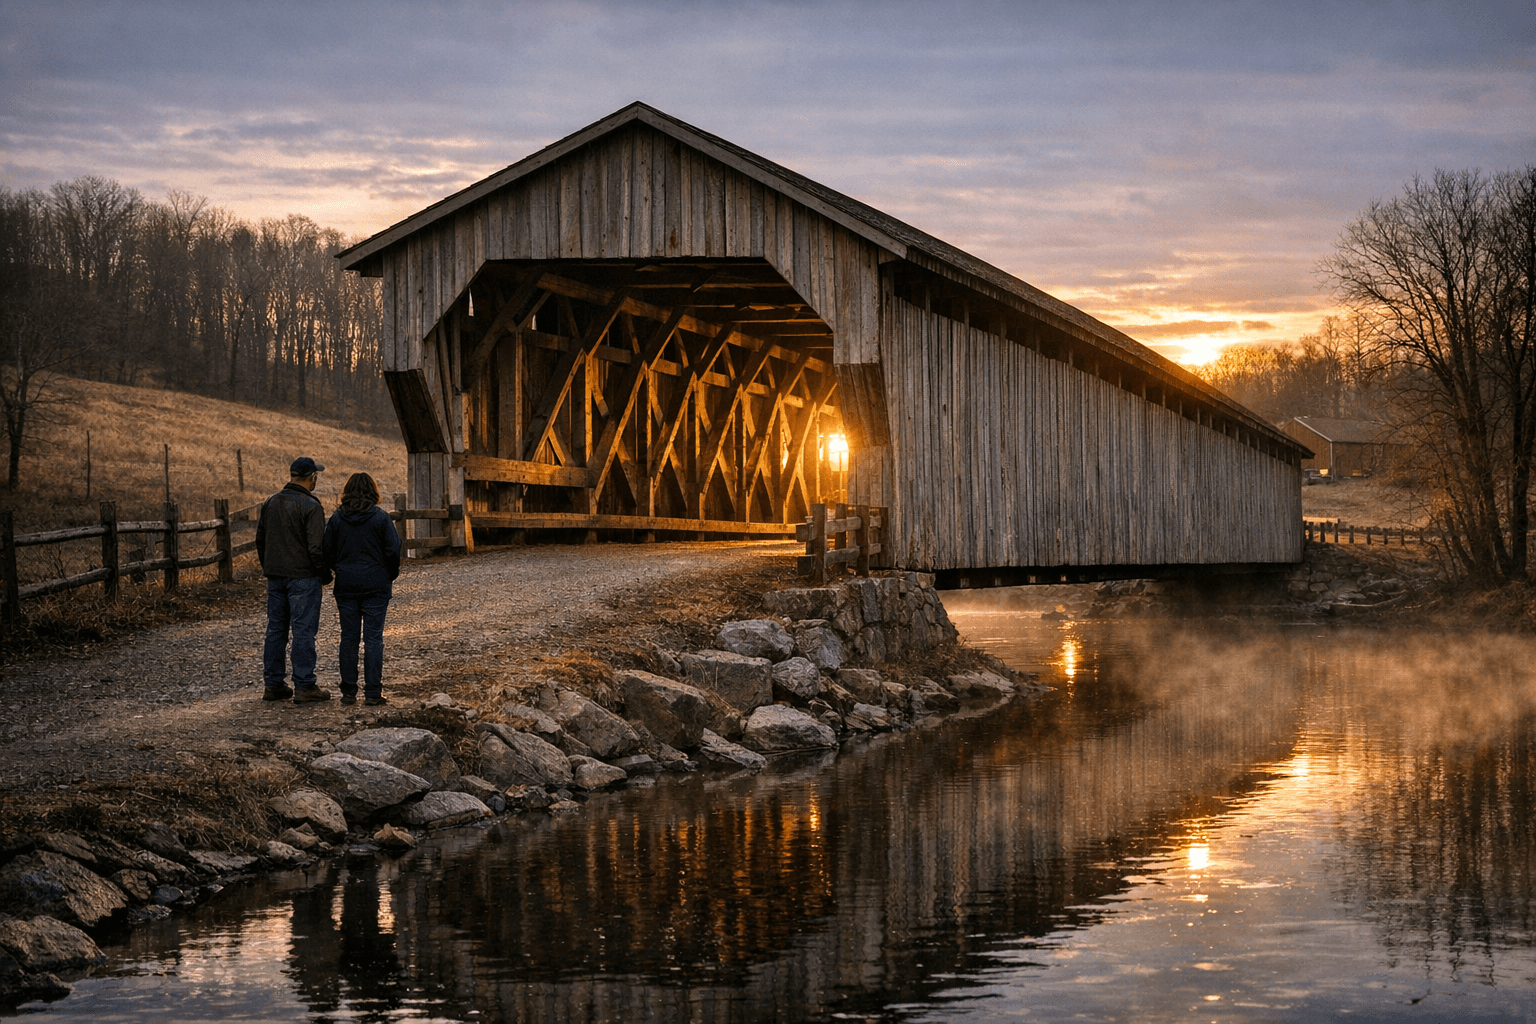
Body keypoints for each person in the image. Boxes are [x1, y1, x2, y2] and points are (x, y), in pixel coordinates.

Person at [255, 456, 333, 704]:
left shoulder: (271, 502)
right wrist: (324, 574)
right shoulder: (311, 506)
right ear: (312, 477)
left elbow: (260, 540)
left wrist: (269, 567)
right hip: (303, 577)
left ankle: (273, 683)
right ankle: (304, 684)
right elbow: (316, 547)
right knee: (303, 631)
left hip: (276, 576)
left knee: (276, 630)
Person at [323, 472, 401, 707]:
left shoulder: (337, 519)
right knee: (373, 638)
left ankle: (348, 692)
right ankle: (373, 692)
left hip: (346, 585)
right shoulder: (381, 518)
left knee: (349, 638)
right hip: (376, 585)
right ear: (372, 492)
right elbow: (393, 550)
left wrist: (340, 569)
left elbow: (327, 551)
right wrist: (389, 574)